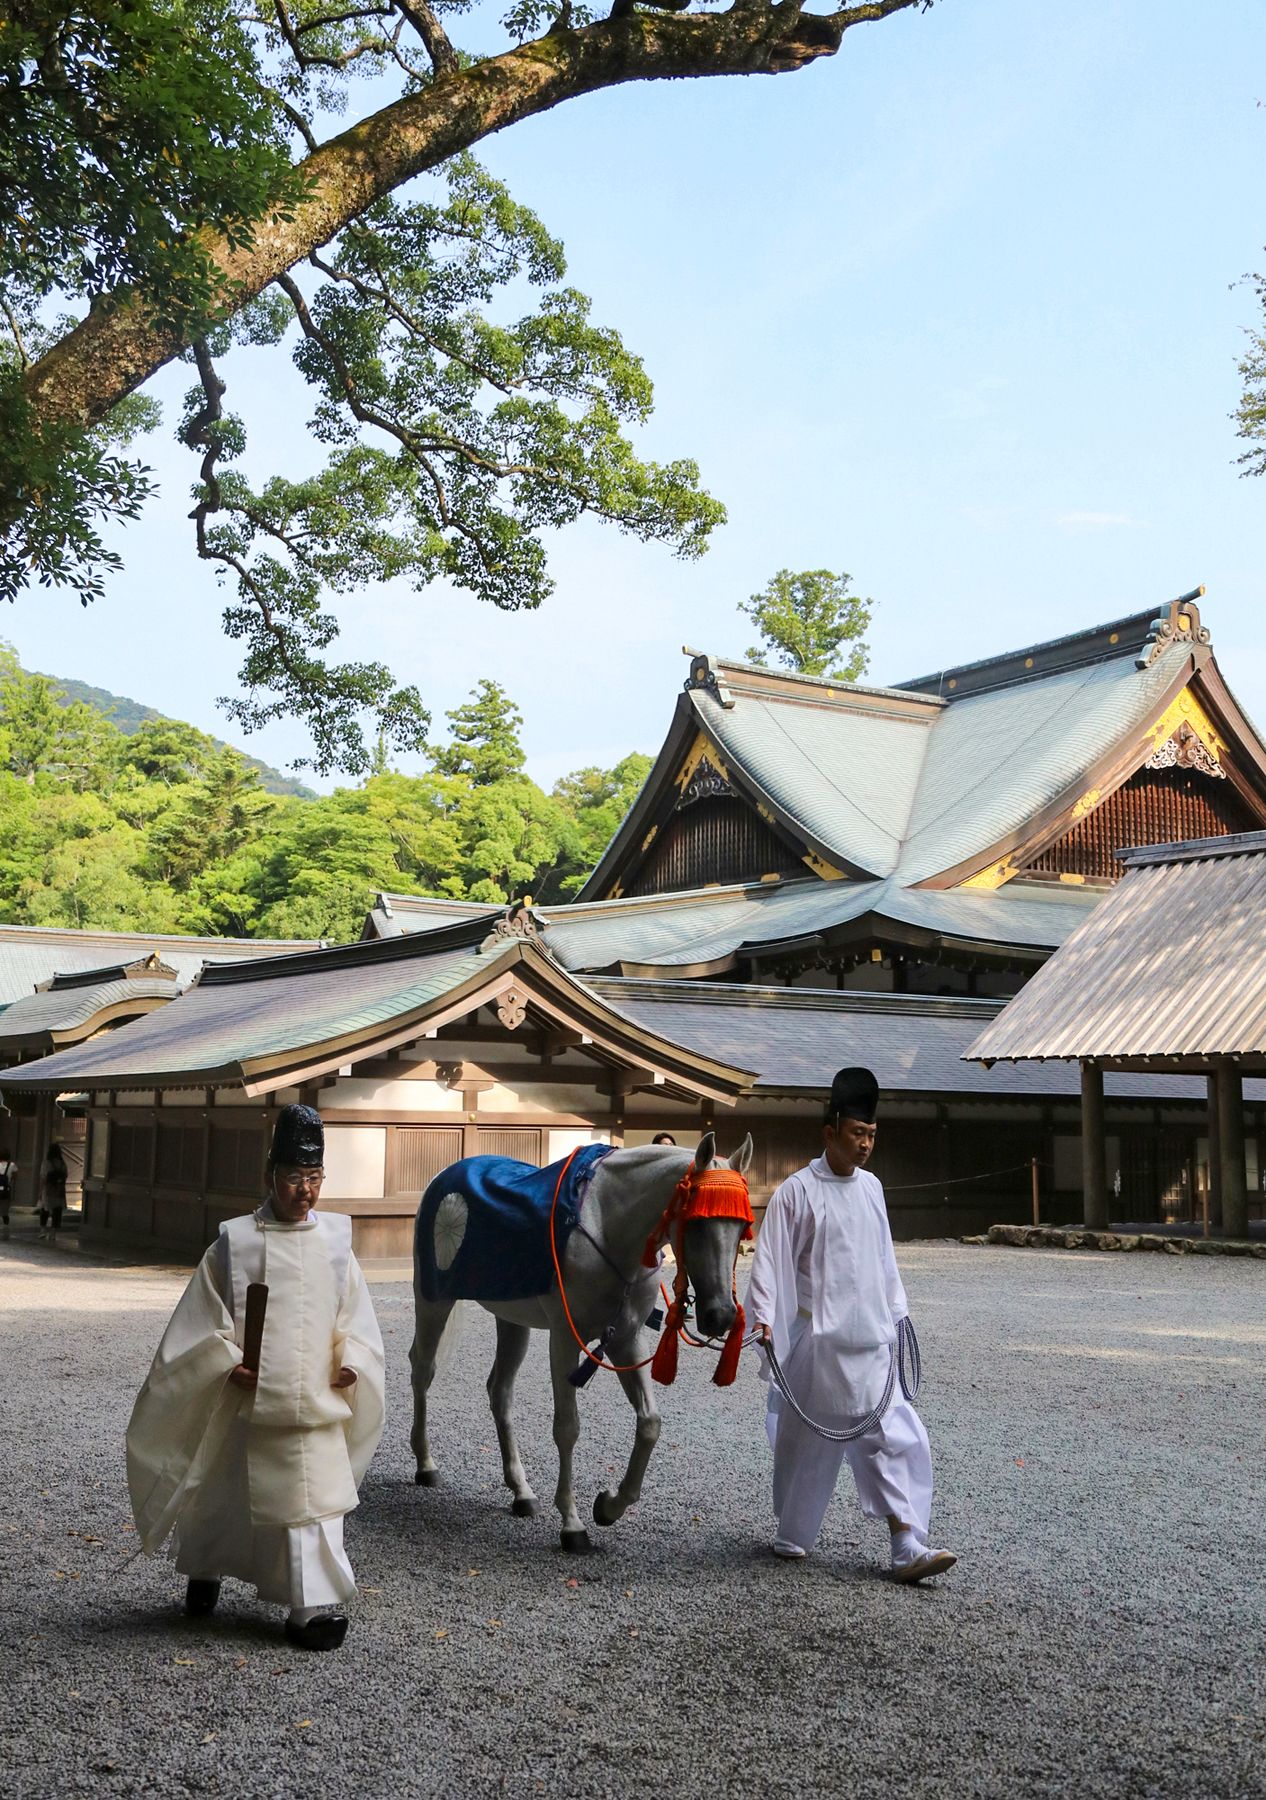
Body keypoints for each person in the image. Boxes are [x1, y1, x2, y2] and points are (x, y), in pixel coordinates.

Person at [126, 1105, 386, 1650]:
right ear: (271, 1176)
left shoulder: (337, 1241)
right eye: (295, 1177)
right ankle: (206, 1566)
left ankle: (309, 1606)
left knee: (308, 1496)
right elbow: (199, 1322)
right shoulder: (236, 1242)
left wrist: (353, 1361)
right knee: (224, 1488)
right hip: (247, 1391)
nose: (306, 1190)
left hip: (314, 1396)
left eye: (315, 1178)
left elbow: (354, 1316)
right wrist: (223, 1362)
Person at [748, 1066, 956, 1584]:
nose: (865, 1145)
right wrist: (766, 1322)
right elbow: (769, 1261)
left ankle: (906, 1543)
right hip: (818, 1342)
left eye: (872, 1135)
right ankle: (793, 1532)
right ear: (830, 1132)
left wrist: (899, 1312)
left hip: (872, 1341)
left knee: (896, 1438)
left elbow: (884, 1258)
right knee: (804, 1448)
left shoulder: (872, 1189)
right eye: (857, 1133)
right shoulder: (795, 1192)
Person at [39, 1142, 67, 1240]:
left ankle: (43, 1230)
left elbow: (43, 1177)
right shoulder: (62, 1163)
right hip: (59, 1191)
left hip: (48, 1189)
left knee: (44, 1210)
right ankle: (53, 1232)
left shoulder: (46, 1162)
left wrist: (40, 1190)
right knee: (57, 1211)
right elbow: (65, 1176)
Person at [0, 1147, 14, 1241]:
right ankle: (5, 1230)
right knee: (5, 1212)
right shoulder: (12, 1165)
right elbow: (15, 1177)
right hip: (6, 1190)